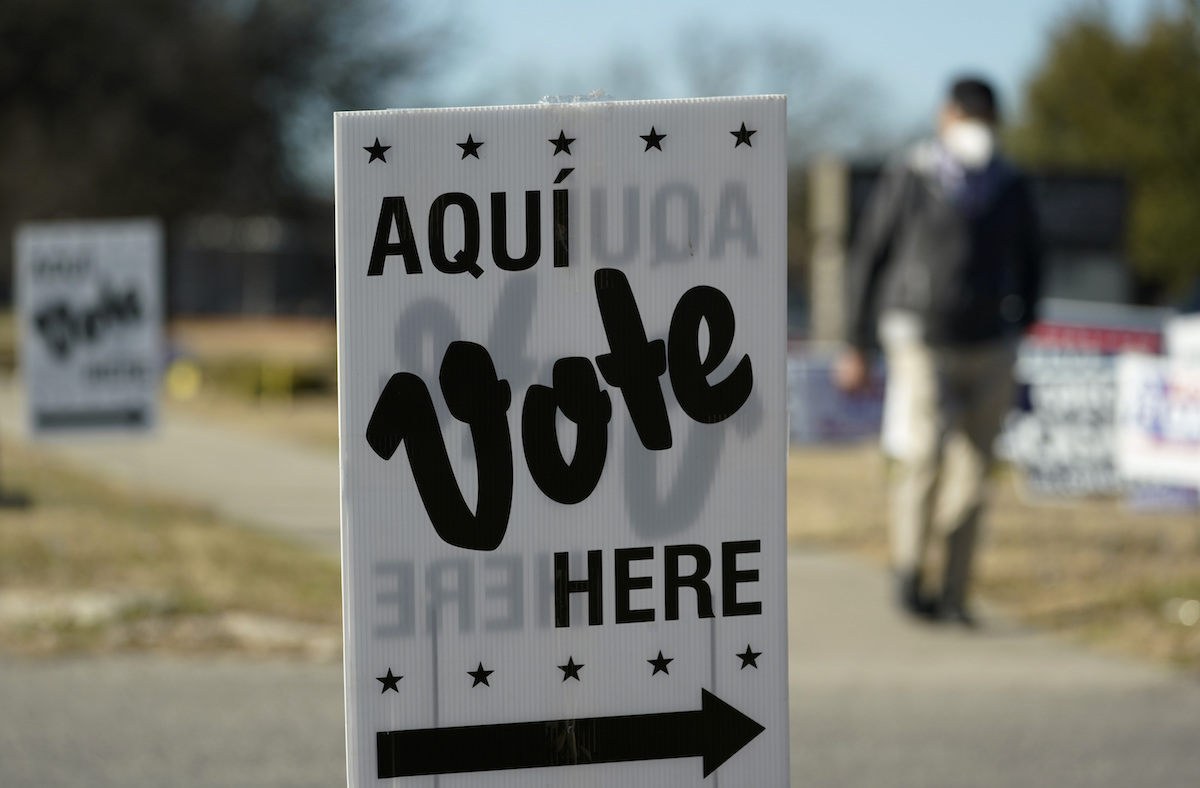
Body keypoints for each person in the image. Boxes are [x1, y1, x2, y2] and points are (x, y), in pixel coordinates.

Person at [835, 76, 1042, 625]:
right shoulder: (913, 174)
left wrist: (1022, 322)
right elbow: (869, 256)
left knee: (975, 470)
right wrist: (855, 343)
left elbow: (1033, 259)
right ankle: (909, 570)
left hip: (991, 341)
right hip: (921, 335)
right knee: (925, 451)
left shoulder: (1010, 184)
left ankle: (954, 591)